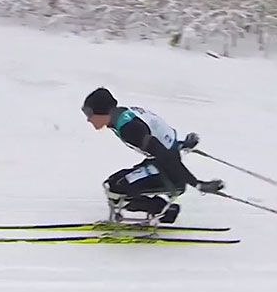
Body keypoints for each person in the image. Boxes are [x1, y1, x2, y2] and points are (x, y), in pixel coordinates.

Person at [82, 87, 224, 224]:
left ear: (102, 111)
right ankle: (164, 209)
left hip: (169, 170)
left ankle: (165, 212)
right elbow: (158, 138)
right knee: (111, 184)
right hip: (159, 161)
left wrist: (197, 184)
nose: (88, 120)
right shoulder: (122, 115)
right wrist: (182, 144)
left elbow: (166, 156)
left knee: (116, 189)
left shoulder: (129, 128)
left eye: (90, 114)